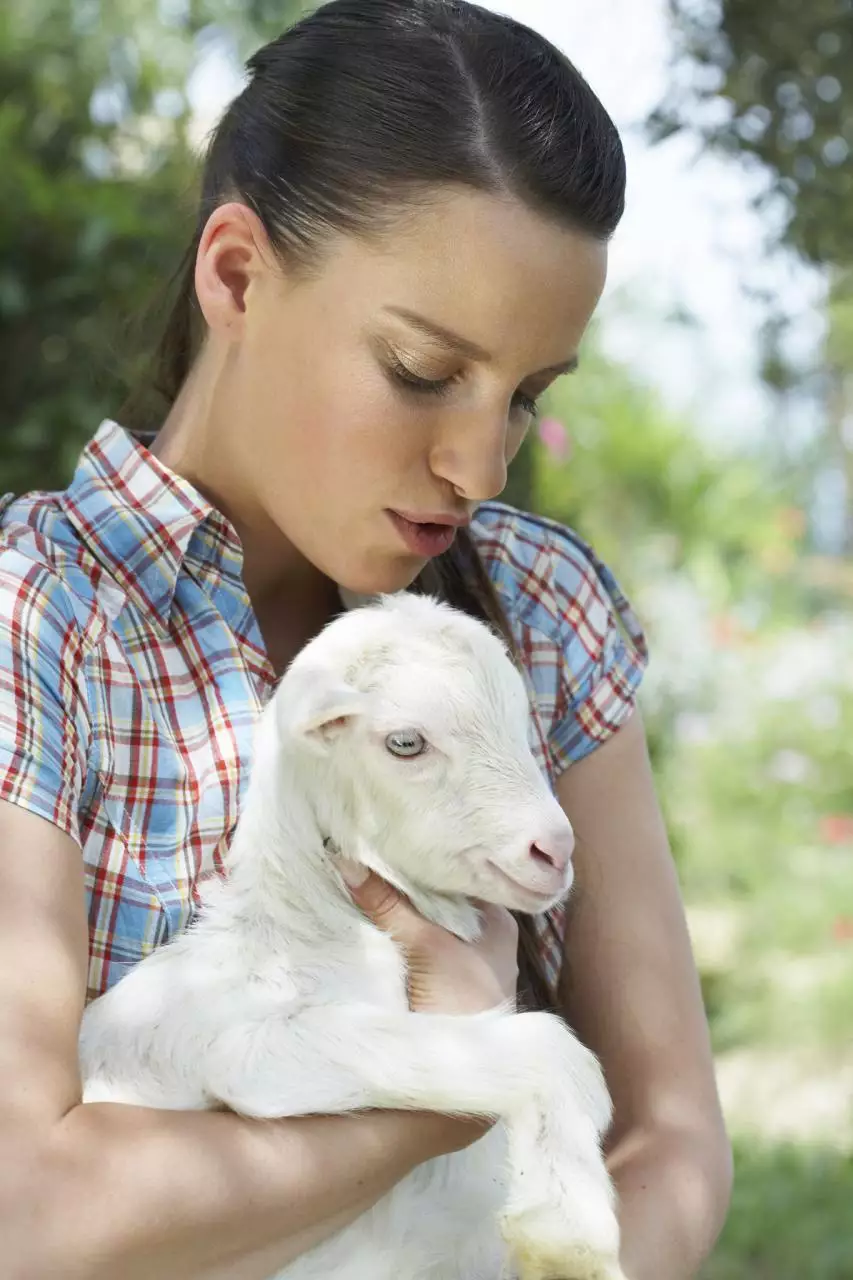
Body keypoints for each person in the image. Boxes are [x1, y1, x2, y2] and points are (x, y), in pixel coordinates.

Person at [0, 1, 732, 1276]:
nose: (477, 465)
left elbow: (671, 1138)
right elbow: (25, 1206)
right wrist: (450, 1084)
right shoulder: (38, 617)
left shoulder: (536, 611)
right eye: (419, 369)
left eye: (526, 398)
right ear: (235, 274)